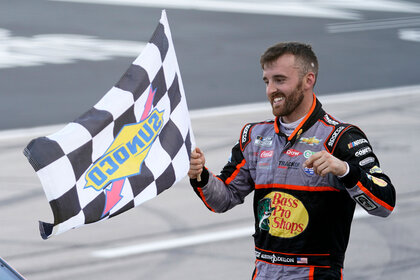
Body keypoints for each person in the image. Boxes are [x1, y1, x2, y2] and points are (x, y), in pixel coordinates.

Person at [188, 42, 396, 279]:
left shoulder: (341, 138)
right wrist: (201, 176)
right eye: (267, 81)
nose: (271, 90)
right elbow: (223, 199)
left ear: (308, 80)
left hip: (315, 272)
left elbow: (385, 204)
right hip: (264, 270)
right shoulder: (254, 137)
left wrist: (345, 171)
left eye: (280, 80)